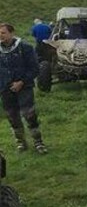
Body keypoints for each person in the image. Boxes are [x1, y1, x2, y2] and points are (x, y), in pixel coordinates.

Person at [0, 23, 46, 153]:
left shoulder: (25, 47)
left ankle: (38, 142)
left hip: (24, 87)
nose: (0, 35)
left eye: (3, 32)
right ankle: (21, 142)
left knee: (29, 114)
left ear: (11, 33)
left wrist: (21, 82)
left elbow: (34, 68)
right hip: (5, 89)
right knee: (12, 116)